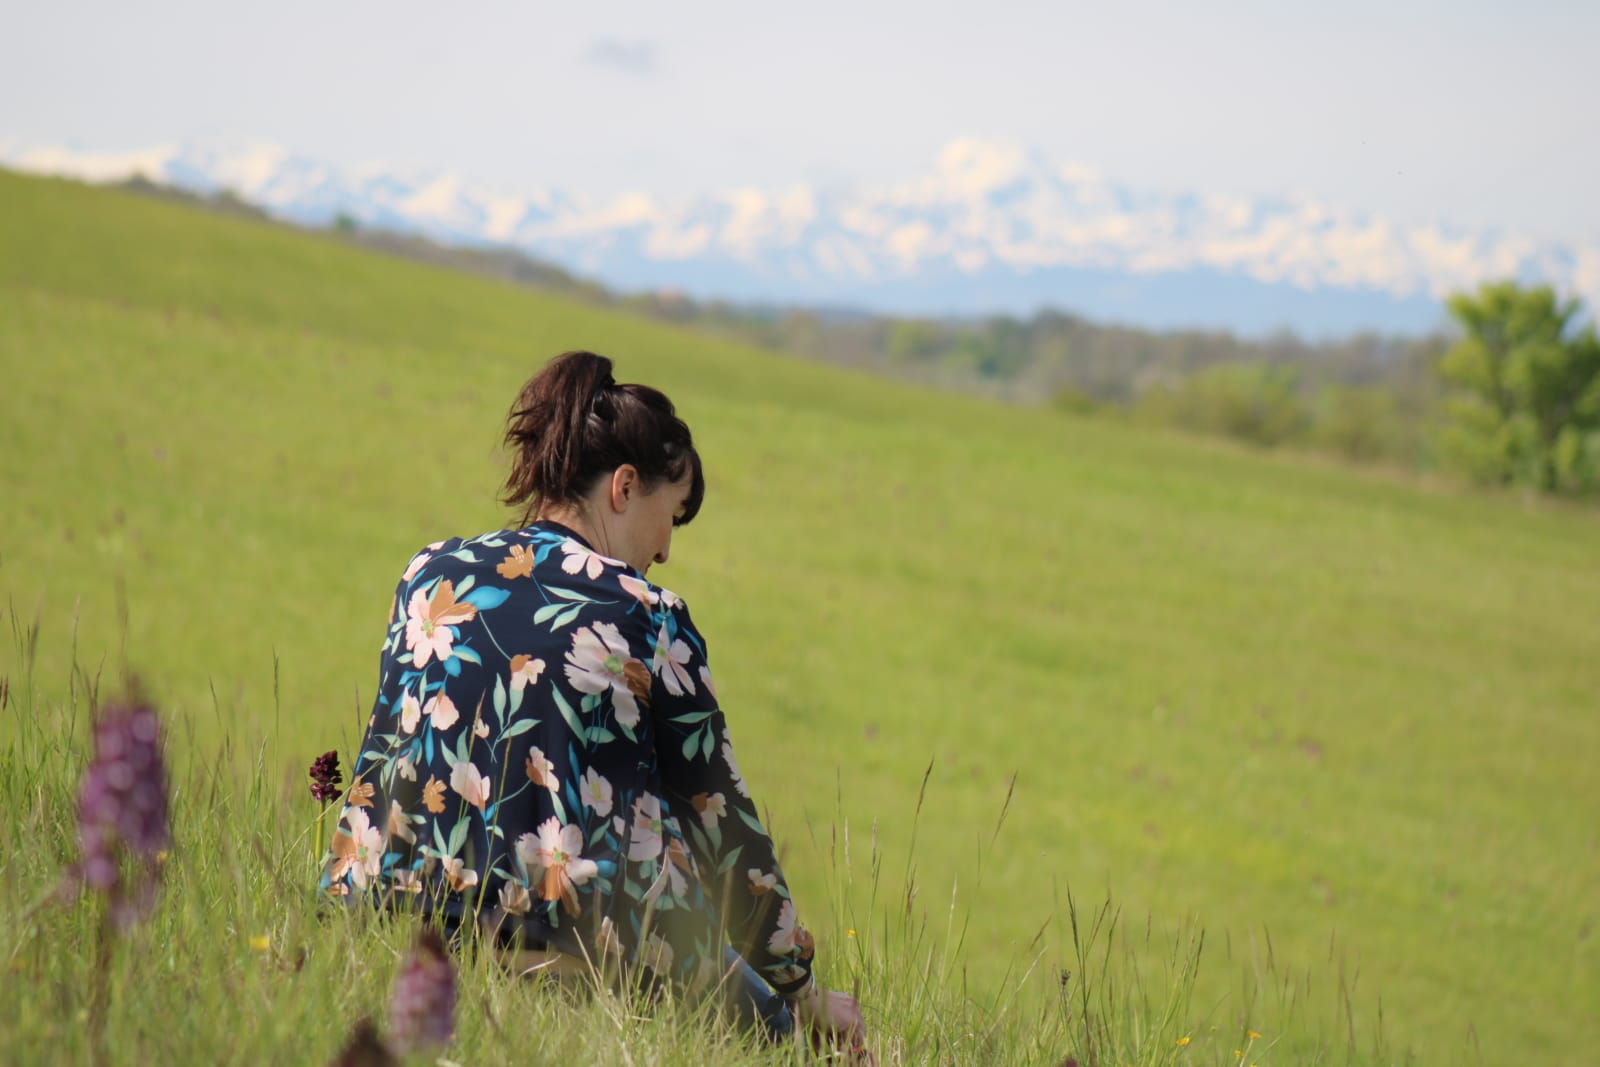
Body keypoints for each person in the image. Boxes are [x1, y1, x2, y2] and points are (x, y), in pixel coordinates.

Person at [320, 350, 866, 1050]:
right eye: (672, 516)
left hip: (389, 917)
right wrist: (800, 991)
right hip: (569, 942)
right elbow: (722, 828)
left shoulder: (428, 573)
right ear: (625, 486)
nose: (665, 552)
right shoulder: (646, 615)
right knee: (786, 1038)